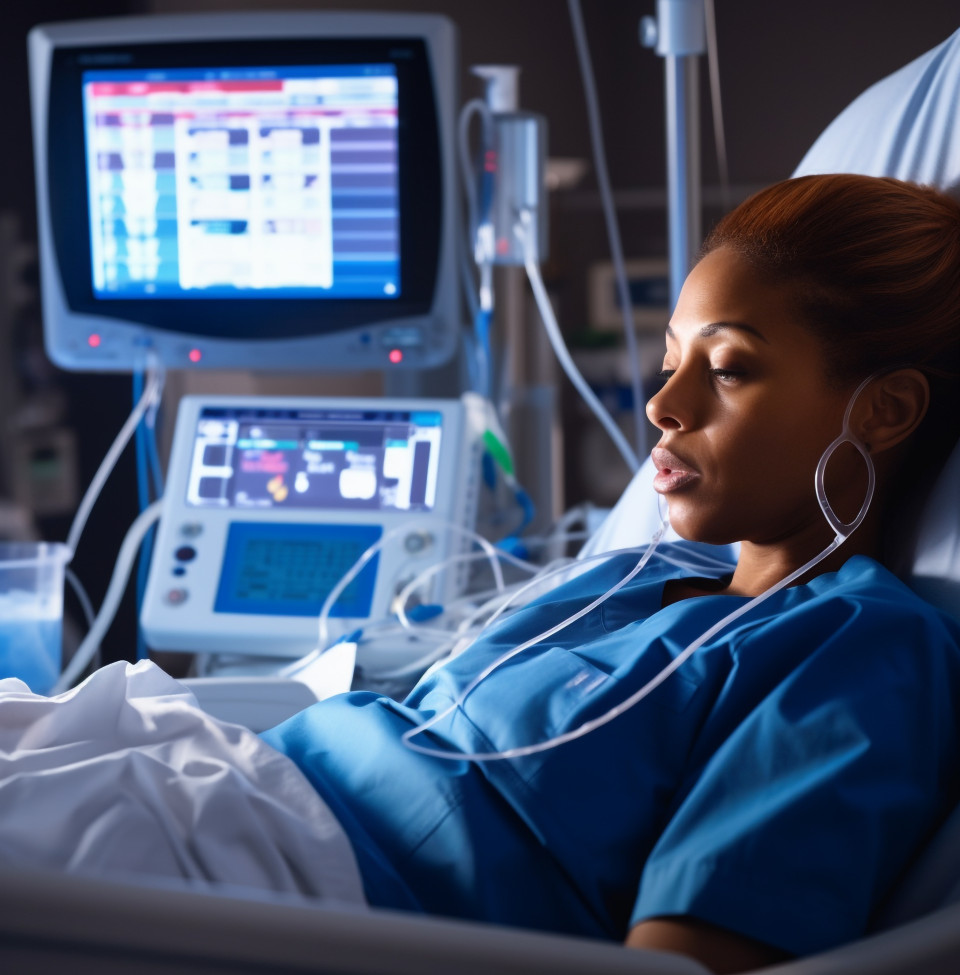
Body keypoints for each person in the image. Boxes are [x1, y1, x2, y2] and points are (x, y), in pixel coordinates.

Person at [1, 173, 958, 975]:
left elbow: (685, 955)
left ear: (884, 411)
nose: (664, 405)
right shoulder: (647, 571)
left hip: (285, 876)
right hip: (208, 769)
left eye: (730, 369)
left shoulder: (859, 648)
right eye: (670, 360)